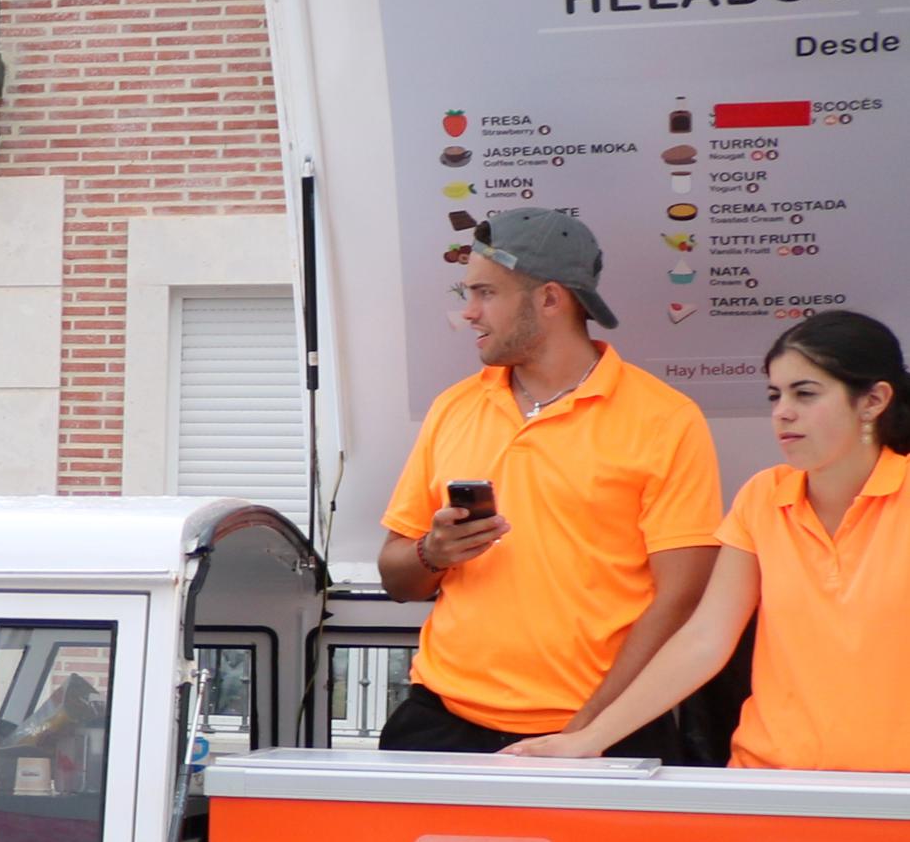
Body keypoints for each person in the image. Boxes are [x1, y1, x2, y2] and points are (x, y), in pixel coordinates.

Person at [375, 212, 721, 755]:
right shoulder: (454, 408)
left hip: (604, 731)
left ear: (551, 299)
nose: (468, 313)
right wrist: (432, 552)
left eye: (485, 293)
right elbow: (397, 579)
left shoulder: (665, 418)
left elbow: (681, 598)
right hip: (443, 721)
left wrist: (585, 733)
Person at [516, 310, 910, 769]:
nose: (783, 411)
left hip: (893, 792)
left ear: (873, 400)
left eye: (805, 393)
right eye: (774, 394)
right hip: (767, 783)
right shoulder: (762, 497)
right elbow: (705, 638)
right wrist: (590, 738)